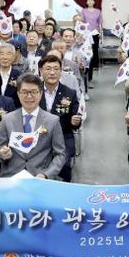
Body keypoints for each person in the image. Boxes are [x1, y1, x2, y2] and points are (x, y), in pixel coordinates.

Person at [0, 73, 67, 257]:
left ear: (40, 93)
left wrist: (46, 174)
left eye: (34, 92)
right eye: (24, 92)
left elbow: (60, 154)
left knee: (40, 221)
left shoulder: (52, 121)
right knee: (4, 220)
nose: (29, 96)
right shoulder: (8, 120)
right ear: (18, 94)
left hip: (39, 177)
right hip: (11, 176)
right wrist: (3, 154)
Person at [38, 55, 82, 183]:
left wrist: (75, 122)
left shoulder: (70, 93)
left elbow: (75, 119)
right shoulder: (34, 91)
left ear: (61, 71)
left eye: (56, 69)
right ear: (40, 71)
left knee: (63, 165)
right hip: (37, 136)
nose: (52, 72)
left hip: (62, 137)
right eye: (48, 69)